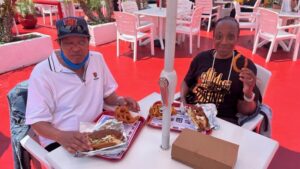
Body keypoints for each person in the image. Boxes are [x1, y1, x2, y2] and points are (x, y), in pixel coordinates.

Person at [25, 17, 140, 154]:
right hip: (61, 141)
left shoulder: (97, 59)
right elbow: (37, 122)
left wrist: (120, 100)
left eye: (81, 42)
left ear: (88, 41)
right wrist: (61, 136)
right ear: (59, 44)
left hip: (97, 130)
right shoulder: (42, 72)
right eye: (68, 43)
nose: (76, 48)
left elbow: (108, 96)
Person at [180, 16, 260, 124]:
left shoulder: (245, 67)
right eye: (219, 36)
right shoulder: (201, 58)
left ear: (237, 38)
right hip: (191, 115)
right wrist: (182, 101)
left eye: (230, 37)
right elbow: (186, 82)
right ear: (213, 37)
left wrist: (248, 92)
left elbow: (246, 111)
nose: (224, 42)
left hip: (221, 123)